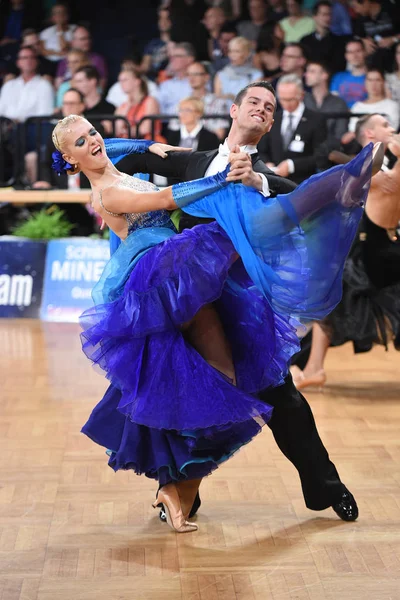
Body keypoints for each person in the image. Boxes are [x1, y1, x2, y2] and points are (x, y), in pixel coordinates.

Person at [77, 81, 380, 525]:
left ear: (270, 123)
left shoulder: (271, 181)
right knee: (183, 398)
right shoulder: (192, 162)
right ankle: (181, 494)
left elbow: (308, 202)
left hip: (245, 311)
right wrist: (86, 161)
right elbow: (126, 155)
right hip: (187, 306)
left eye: (269, 107)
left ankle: (325, 487)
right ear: (235, 111)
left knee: (285, 401)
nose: (261, 109)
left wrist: (258, 180)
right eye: (253, 101)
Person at [292, 113, 399, 391]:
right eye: (385, 125)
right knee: (330, 305)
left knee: (333, 305)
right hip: (363, 249)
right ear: (371, 135)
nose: (392, 128)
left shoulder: (384, 168)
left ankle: (312, 367)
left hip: (385, 247)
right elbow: (332, 158)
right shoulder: (368, 168)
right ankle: (312, 367)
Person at [258, 74, 327, 183]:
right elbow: (261, 150)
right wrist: (266, 164)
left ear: (301, 95)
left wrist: (291, 165)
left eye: (290, 99)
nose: (286, 104)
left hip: (303, 183)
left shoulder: (316, 120)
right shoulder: (272, 118)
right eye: (282, 99)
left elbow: (320, 156)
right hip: (273, 182)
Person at [304, 61, 349, 144]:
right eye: (307, 71)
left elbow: (340, 134)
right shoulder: (302, 100)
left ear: (324, 75)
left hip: (329, 150)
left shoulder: (339, 103)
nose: (306, 75)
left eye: (312, 71)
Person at [114, 67, 163, 141]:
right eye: (120, 81)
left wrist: (125, 131)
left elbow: (145, 129)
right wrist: (127, 107)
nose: (121, 84)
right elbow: (116, 130)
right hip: (128, 144)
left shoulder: (150, 101)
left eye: (125, 80)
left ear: (137, 81)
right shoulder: (123, 106)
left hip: (149, 143)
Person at [330, 38, 367, 109]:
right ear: (346, 56)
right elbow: (333, 103)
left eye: (358, 51)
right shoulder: (338, 77)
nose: (354, 55)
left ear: (365, 52)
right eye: (350, 52)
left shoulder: (372, 78)